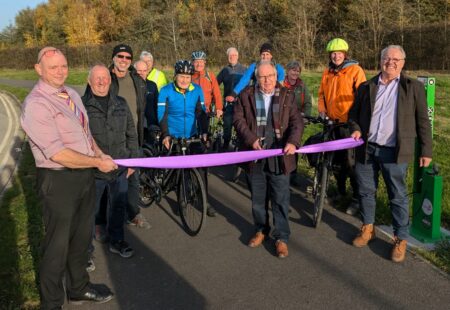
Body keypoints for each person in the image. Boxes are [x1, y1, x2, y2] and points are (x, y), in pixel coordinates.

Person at [21, 47, 115, 309]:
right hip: (58, 180)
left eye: (63, 65)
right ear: (38, 69)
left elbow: (84, 133)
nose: (60, 71)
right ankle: (51, 303)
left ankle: (78, 288)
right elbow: (57, 153)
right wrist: (98, 162)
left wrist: (98, 152)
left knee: (81, 239)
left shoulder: (71, 93)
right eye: (53, 67)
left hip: (83, 176)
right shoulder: (36, 104)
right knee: (57, 246)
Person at [349, 45, 432, 263]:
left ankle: (400, 238)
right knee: (366, 191)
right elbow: (353, 115)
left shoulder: (412, 87)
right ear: (380, 60)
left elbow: (423, 121)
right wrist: (356, 128)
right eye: (387, 58)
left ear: (403, 63)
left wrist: (426, 150)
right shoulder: (367, 86)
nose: (391, 62)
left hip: (394, 152)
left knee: (398, 196)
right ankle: (368, 228)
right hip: (367, 149)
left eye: (396, 59)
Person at [233, 61, 303, 258]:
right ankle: (261, 230)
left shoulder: (287, 95)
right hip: (255, 155)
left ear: (276, 76)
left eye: (270, 76)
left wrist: (293, 142)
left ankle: (281, 237)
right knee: (258, 198)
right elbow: (238, 120)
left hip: (279, 155)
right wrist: (251, 139)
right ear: (257, 78)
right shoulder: (245, 95)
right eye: (262, 77)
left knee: (280, 198)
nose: (267, 81)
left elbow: (297, 122)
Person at [82, 64, 139, 259]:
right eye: (97, 78)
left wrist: (133, 162)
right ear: (89, 82)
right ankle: (85, 253)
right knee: (90, 213)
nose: (101, 81)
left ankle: (117, 241)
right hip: (93, 171)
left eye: (105, 77)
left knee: (118, 207)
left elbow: (132, 134)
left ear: (110, 80)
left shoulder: (121, 103)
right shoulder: (81, 105)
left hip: (119, 168)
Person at [157, 60, 214, 216]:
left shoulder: (197, 90)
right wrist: (166, 134)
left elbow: (200, 112)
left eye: (188, 77)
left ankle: (204, 202)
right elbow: (163, 115)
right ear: (175, 76)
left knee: (201, 168)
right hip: (174, 135)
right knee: (179, 170)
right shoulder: (166, 90)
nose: (184, 80)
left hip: (192, 134)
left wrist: (204, 131)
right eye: (181, 76)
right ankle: (181, 200)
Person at [317, 38, 366, 215]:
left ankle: (356, 198)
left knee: (351, 162)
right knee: (335, 161)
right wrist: (322, 110)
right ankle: (340, 191)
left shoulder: (355, 70)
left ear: (345, 55)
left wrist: (357, 121)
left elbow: (362, 97)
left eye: (339, 53)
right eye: (333, 53)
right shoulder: (327, 72)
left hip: (349, 124)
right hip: (331, 123)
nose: (336, 56)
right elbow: (321, 94)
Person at [109, 44, 151, 229]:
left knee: (134, 178)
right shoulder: (105, 78)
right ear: (113, 58)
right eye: (120, 56)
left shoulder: (136, 80)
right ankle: (103, 221)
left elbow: (142, 107)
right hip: (111, 138)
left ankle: (133, 213)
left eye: (127, 57)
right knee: (109, 181)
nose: (124, 60)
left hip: (134, 136)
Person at [284, 60, 312, 186]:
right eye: (293, 70)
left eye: (297, 71)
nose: (295, 73)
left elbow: (307, 103)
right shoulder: (281, 84)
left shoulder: (302, 86)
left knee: (294, 145)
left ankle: (293, 173)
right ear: (287, 71)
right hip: (283, 119)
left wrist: (305, 116)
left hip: (297, 120)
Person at [216, 47, 247, 150]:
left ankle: (240, 145)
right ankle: (226, 143)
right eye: (230, 56)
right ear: (228, 57)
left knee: (240, 125)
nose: (232, 57)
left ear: (238, 56)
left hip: (240, 103)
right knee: (227, 124)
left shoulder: (244, 70)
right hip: (228, 104)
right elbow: (215, 85)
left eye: (234, 55)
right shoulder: (224, 70)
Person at [191, 50, 223, 118]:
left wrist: (219, 108)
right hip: (190, 110)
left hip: (206, 110)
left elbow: (217, 93)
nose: (199, 64)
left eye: (201, 61)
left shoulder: (210, 76)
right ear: (192, 62)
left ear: (204, 62)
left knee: (204, 128)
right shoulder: (188, 76)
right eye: (196, 61)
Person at [134, 60, 159, 137]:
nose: (142, 73)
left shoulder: (152, 85)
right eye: (139, 71)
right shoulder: (130, 86)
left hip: (150, 125)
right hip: (135, 126)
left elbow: (156, 105)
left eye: (144, 71)